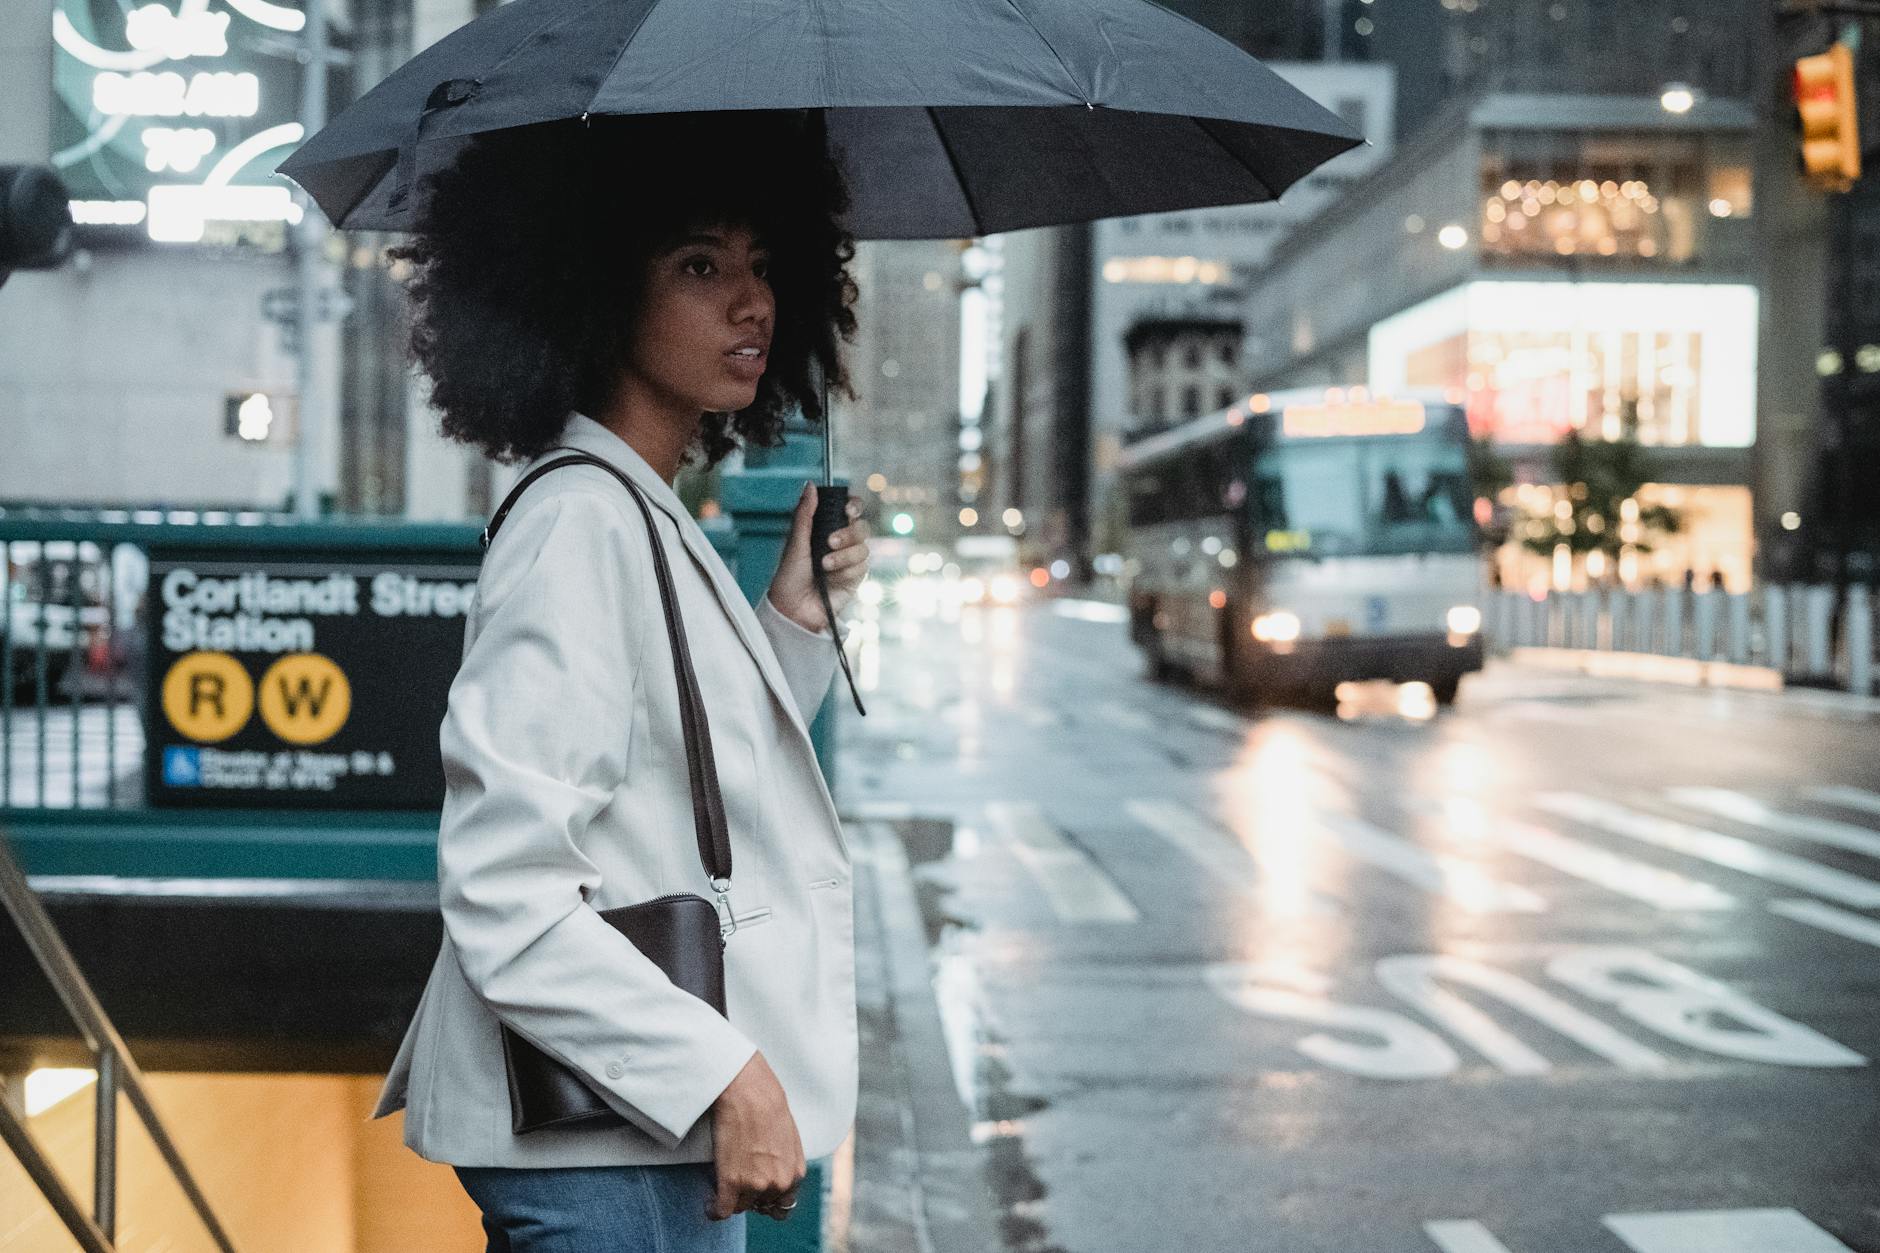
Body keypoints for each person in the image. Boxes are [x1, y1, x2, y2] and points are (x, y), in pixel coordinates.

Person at [365, 110, 871, 1250]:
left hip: (640, 1138)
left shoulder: (635, 508)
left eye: (760, 266)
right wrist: (728, 1072)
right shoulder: (581, 523)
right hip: (611, 1152)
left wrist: (788, 615)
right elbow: (505, 884)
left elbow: (685, 779)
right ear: (588, 288)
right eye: (698, 265)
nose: (751, 303)